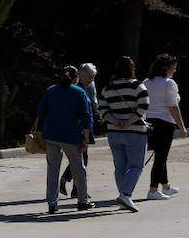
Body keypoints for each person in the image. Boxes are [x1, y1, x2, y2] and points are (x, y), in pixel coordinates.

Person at [35, 65, 94, 213]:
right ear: (76, 78)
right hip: (71, 136)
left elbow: (40, 111)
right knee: (78, 169)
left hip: (51, 135)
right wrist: (86, 140)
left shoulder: (51, 90)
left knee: (53, 169)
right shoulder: (79, 92)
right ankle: (82, 200)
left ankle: (52, 203)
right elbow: (85, 118)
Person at [96, 56, 148, 212]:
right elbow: (144, 106)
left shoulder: (108, 88)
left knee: (120, 167)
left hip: (114, 132)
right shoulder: (138, 86)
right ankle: (125, 195)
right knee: (136, 166)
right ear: (132, 69)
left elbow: (102, 110)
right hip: (135, 132)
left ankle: (122, 197)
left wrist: (116, 121)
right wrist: (128, 122)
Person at [143, 53, 187, 199]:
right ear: (166, 68)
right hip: (165, 123)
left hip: (150, 121)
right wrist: (182, 126)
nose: (174, 71)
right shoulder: (169, 83)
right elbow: (173, 106)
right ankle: (153, 190)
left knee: (160, 155)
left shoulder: (147, 82)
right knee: (161, 157)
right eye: (173, 68)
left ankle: (166, 186)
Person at [60, 62, 98, 196]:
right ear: (80, 75)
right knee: (80, 160)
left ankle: (74, 187)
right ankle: (73, 186)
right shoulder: (78, 90)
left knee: (80, 159)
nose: (91, 80)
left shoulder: (84, 89)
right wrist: (85, 135)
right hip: (80, 130)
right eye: (89, 76)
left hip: (84, 129)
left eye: (93, 77)